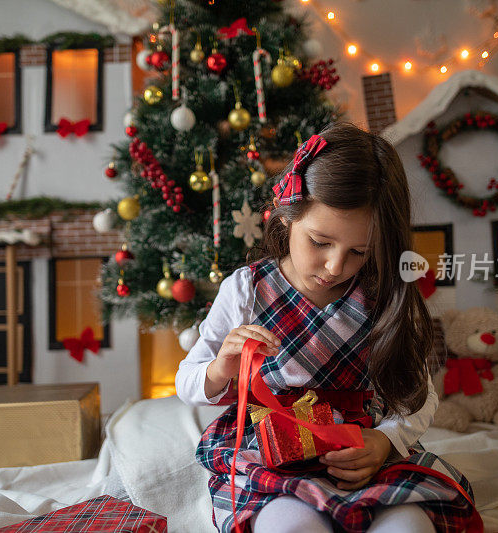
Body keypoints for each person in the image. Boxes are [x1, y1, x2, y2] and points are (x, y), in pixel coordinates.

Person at [175, 122, 478, 533]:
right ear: (286, 217)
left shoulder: (387, 295)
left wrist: (386, 441)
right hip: (273, 455)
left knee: (409, 527)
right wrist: (221, 368)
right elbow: (187, 383)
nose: (336, 267)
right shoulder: (247, 289)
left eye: (359, 252)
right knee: (291, 527)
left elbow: (418, 397)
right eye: (320, 242)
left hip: (363, 455)